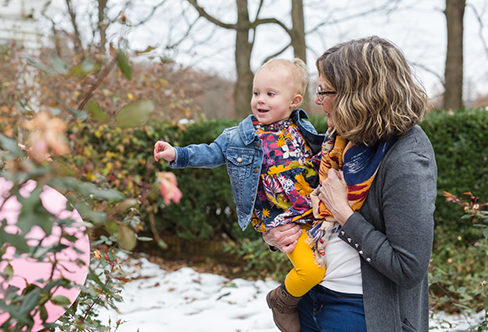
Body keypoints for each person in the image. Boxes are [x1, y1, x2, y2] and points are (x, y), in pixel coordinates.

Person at [263, 36, 436, 332]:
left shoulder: (407, 157)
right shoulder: (340, 142)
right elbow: (307, 208)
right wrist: (277, 234)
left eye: (324, 91)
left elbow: (407, 268)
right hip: (312, 299)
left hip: (361, 313)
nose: (317, 101)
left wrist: (343, 211)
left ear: (357, 94)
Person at [152, 58, 326, 331]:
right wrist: (178, 154)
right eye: (256, 93)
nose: (260, 100)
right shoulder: (240, 137)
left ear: (295, 100)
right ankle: (282, 300)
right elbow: (210, 152)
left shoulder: (305, 131)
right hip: (281, 220)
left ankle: (310, 311)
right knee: (312, 270)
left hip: (314, 215)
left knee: (327, 271)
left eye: (271, 94)